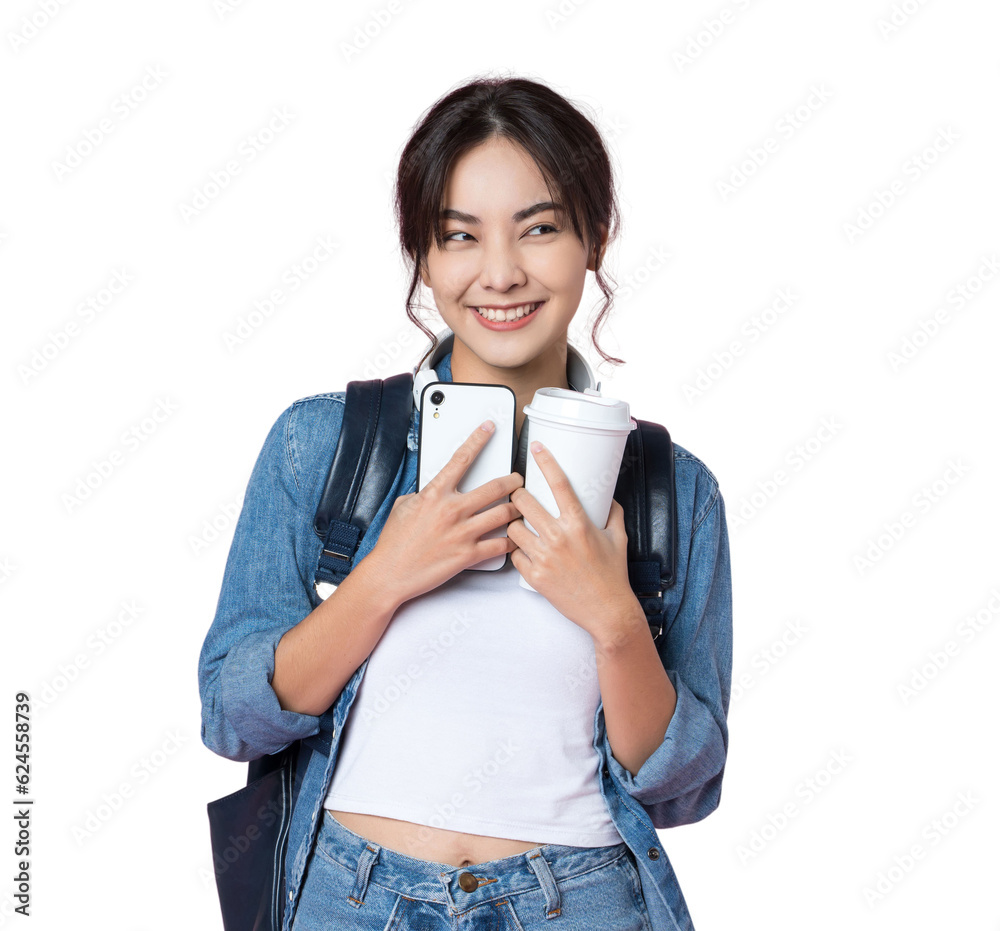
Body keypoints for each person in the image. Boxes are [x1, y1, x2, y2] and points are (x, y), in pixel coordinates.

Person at [198, 74, 733, 931]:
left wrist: (615, 618)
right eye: (459, 236)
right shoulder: (322, 444)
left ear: (595, 236)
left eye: (540, 228)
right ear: (424, 253)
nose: (500, 272)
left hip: (581, 901)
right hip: (352, 896)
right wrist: (383, 579)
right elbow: (232, 717)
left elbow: (683, 789)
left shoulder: (676, 490)